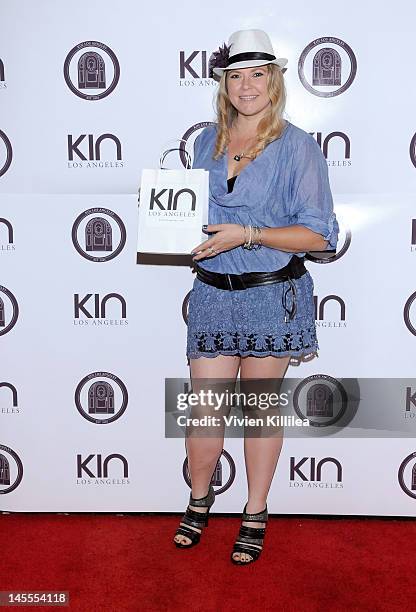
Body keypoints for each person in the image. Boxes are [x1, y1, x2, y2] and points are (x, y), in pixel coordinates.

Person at [173, 28, 338, 564]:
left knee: (261, 414)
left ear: (274, 80)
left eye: (257, 74)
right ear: (224, 84)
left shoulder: (299, 146)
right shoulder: (205, 143)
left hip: (273, 295)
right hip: (213, 294)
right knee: (204, 415)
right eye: (236, 76)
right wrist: (170, 223)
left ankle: (255, 511)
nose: (246, 86)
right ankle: (199, 502)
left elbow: (319, 236)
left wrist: (248, 235)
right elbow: (191, 218)